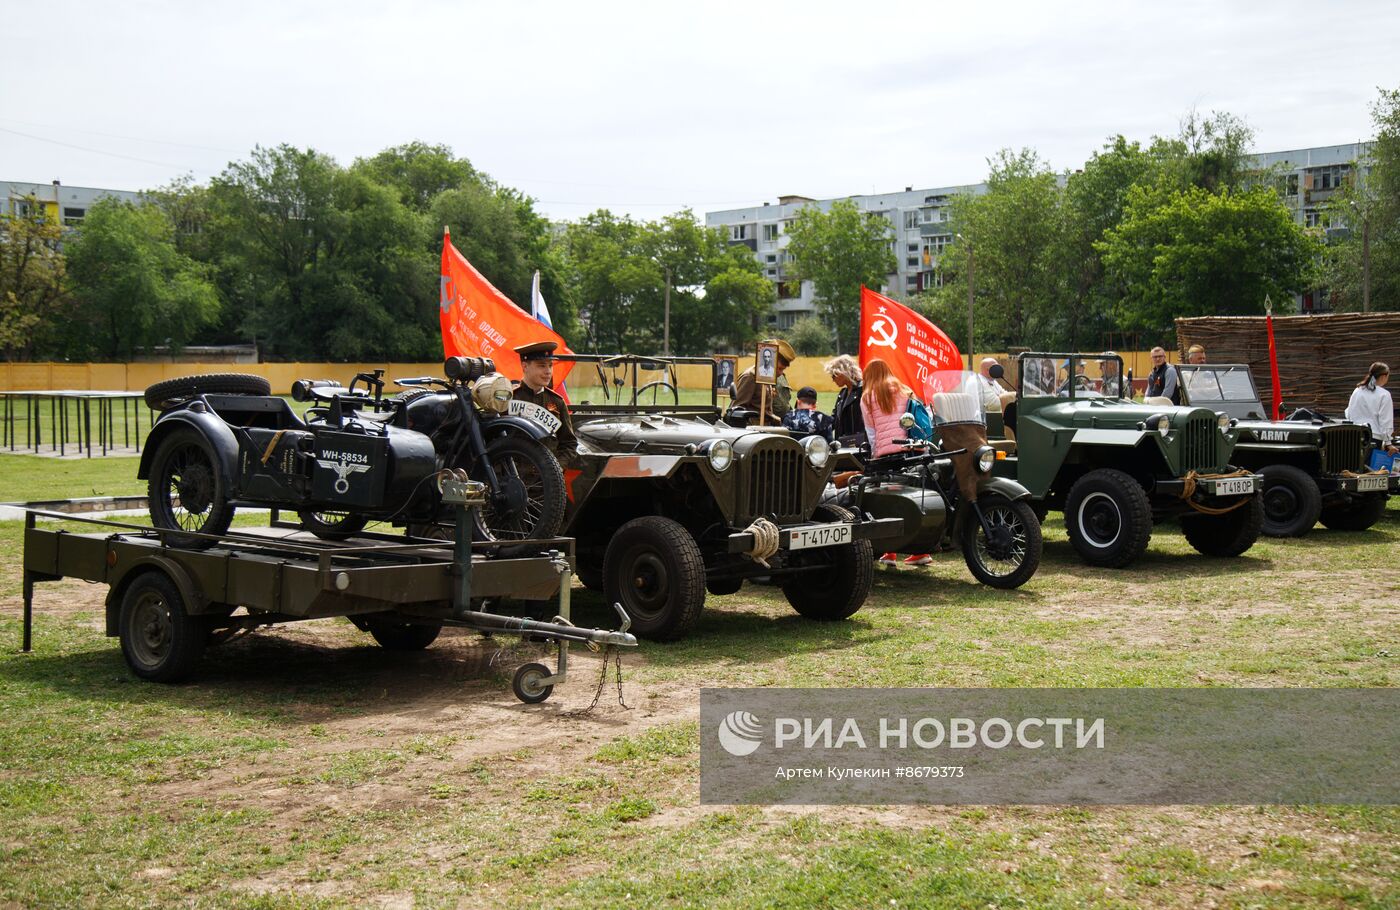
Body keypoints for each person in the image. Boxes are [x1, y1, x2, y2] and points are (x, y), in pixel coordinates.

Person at [861, 358, 931, 567]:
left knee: (888, 502)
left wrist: (874, 456)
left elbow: (871, 432)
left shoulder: (867, 397)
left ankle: (889, 552)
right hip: (910, 450)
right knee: (913, 498)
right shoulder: (904, 390)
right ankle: (921, 551)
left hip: (886, 454)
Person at [511, 341, 576, 457]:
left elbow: (569, 444)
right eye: (542, 366)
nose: (548, 371)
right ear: (525, 366)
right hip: (515, 467)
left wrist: (555, 466)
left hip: (548, 467)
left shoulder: (557, 402)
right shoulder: (509, 399)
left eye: (550, 365)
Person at [733, 338, 796, 423]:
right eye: (779, 368)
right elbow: (736, 410)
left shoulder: (767, 376)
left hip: (766, 427)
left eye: (783, 369)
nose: (781, 373)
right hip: (753, 428)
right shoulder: (750, 377)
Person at [1345, 362, 1398, 456]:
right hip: (1372, 439)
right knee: (1369, 465)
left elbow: (1349, 413)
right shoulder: (1384, 395)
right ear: (1383, 376)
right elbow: (1385, 421)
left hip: (1353, 437)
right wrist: (1388, 443)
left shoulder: (1357, 390)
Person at [824, 354, 865, 443]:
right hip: (843, 444)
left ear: (842, 373)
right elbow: (834, 419)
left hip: (860, 444)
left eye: (833, 376)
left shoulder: (863, 389)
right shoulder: (842, 393)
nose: (833, 380)